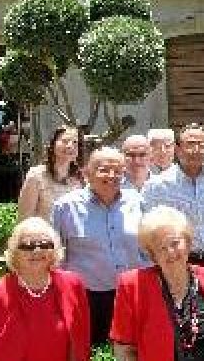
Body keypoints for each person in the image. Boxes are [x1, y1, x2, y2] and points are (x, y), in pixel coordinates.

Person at [110, 206, 204, 361]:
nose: (170, 252)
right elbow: (124, 349)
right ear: (152, 255)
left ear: (188, 243)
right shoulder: (133, 286)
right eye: (161, 247)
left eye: (175, 243)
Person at [51, 146, 147, 346]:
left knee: (132, 351)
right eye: (103, 169)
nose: (112, 175)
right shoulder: (66, 207)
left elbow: (148, 250)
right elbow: (55, 256)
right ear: (87, 172)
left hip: (133, 295)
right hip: (87, 297)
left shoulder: (139, 202)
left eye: (118, 170)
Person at [0, 217, 91, 361]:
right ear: (15, 252)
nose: (37, 250)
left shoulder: (73, 284)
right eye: (28, 245)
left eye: (45, 244)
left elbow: (82, 340)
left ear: (54, 250)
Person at [142, 124, 204, 268]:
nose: (196, 150)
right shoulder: (157, 186)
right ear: (177, 149)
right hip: (177, 261)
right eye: (190, 144)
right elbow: (149, 231)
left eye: (201, 145)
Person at [17, 125, 83, 221]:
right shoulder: (36, 176)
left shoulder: (80, 180)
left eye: (75, 142)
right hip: (43, 235)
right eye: (65, 141)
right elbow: (24, 219)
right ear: (53, 145)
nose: (70, 146)